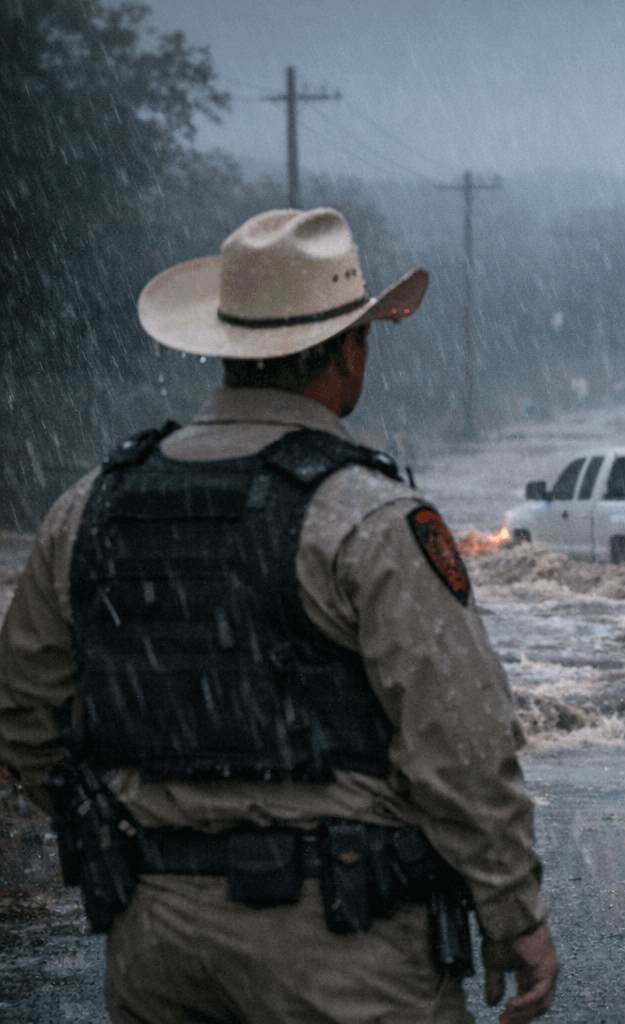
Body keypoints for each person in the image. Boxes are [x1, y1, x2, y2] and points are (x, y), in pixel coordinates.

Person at [0, 208, 558, 1023]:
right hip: (342, 940)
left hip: (154, 938)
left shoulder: (88, 507)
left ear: (225, 352)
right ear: (350, 350)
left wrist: (134, 838)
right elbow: (461, 741)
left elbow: (20, 720)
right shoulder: (368, 517)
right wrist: (513, 915)